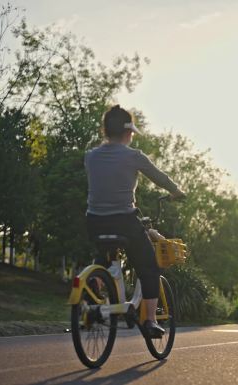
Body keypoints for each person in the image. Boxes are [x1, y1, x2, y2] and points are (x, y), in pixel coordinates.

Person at [85, 105, 185, 338]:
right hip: (124, 221)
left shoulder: (90, 157)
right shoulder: (133, 156)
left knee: (103, 258)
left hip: (94, 221)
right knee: (149, 267)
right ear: (128, 132)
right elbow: (159, 177)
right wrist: (176, 192)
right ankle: (149, 320)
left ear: (105, 130)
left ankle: (92, 299)